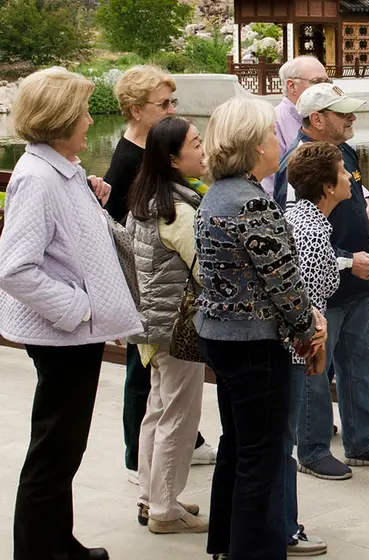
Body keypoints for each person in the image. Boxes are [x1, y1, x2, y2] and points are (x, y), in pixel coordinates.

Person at [0, 67, 142, 560]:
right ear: (60, 118)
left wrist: (91, 197)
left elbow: (68, 238)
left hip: (71, 334)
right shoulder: (39, 178)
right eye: (82, 111)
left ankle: (59, 544)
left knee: (62, 450)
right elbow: (15, 268)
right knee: (53, 454)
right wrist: (78, 309)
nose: (88, 119)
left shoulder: (58, 168)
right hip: (63, 334)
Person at [195, 97, 327, 560]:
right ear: (253, 147)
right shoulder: (251, 202)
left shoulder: (216, 194)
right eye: (271, 134)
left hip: (221, 336)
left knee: (238, 445)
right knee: (263, 457)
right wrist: (309, 331)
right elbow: (285, 282)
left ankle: (226, 544)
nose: (278, 141)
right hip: (253, 342)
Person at [275, 83, 369, 481]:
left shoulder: (342, 153)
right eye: (342, 113)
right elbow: (295, 238)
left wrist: (365, 262)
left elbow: (351, 211)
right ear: (316, 119)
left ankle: (363, 440)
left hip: (356, 284)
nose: (351, 118)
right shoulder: (298, 165)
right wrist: (350, 262)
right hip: (320, 289)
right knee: (316, 367)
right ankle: (313, 449)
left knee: (360, 362)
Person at [104, 65, 216, 484]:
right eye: (163, 104)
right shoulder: (129, 163)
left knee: (157, 381)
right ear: (135, 110)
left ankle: (179, 449)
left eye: (174, 102)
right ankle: (139, 460)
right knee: (144, 376)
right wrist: (123, 298)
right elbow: (117, 236)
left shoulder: (149, 155)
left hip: (154, 291)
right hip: (148, 294)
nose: (172, 109)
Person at [126, 116, 210, 534]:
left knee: (157, 412)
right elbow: (205, 272)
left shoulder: (144, 201)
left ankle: (151, 498)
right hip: (178, 329)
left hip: (150, 326)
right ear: (174, 159)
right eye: (196, 143)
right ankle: (164, 508)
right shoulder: (180, 210)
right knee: (179, 415)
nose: (204, 149)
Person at [280, 142, 354, 556]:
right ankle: (286, 528)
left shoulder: (300, 218)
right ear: (327, 187)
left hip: (293, 345)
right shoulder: (309, 231)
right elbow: (304, 302)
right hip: (294, 351)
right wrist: (314, 350)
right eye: (343, 173)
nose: (349, 178)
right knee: (282, 443)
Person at [263, 55, 369, 229]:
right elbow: (274, 195)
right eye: (317, 82)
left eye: (328, 81)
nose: (326, 87)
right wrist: (347, 256)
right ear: (291, 86)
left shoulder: (339, 141)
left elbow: (346, 177)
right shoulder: (274, 124)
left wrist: (366, 197)